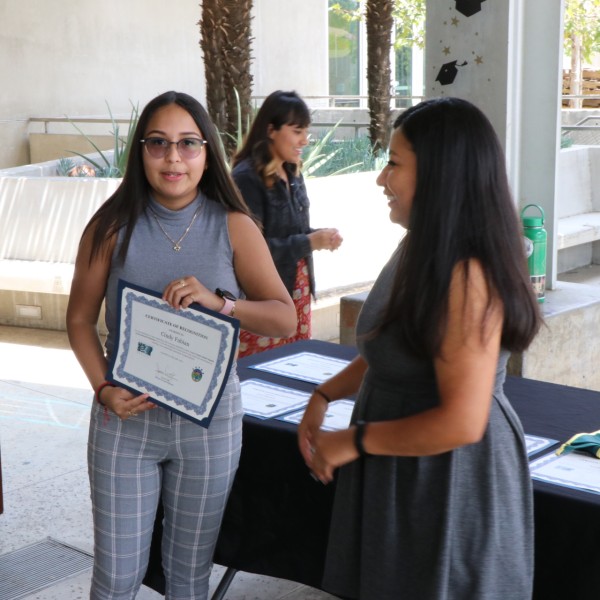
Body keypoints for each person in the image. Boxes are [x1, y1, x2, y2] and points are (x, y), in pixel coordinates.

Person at [298, 97, 542, 600]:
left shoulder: (467, 274)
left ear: (440, 175)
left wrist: (353, 440)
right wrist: (325, 395)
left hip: (447, 478)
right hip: (401, 461)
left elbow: (461, 422)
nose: (380, 179)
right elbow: (393, 351)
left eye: (393, 163)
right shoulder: (421, 243)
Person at [66, 90, 296, 599]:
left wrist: (223, 305)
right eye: (159, 143)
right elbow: (79, 320)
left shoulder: (234, 226)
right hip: (124, 422)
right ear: (141, 151)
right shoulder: (110, 227)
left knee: (188, 577)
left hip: (210, 427)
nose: (173, 158)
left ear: (208, 152)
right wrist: (103, 387)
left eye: (188, 144)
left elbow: (282, 317)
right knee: (116, 577)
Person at [231, 90, 343, 357]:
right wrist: (308, 242)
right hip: (265, 299)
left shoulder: (292, 171)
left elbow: (294, 231)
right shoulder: (246, 178)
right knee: (260, 376)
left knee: (295, 364)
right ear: (271, 130)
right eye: (297, 131)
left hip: (297, 293)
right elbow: (247, 252)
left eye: (306, 131)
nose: (304, 140)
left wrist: (320, 236)